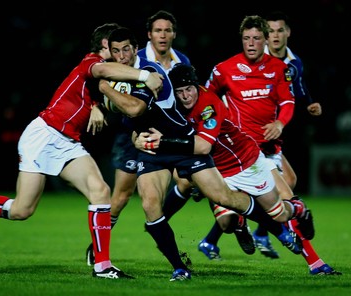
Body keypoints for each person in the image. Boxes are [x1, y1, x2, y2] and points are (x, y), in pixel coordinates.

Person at [0, 22, 165, 280]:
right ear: (104, 46)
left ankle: (103, 266)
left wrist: (97, 105)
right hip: (43, 136)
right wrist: (145, 76)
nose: (121, 54)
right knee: (22, 210)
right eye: (114, 46)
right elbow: (102, 70)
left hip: (68, 142)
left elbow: (103, 92)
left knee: (100, 191)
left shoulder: (104, 78)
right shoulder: (92, 61)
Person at [98, 27, 303, 281]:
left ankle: (277, 227)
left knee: (224, 197)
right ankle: (179, 267)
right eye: (116, 51)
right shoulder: (121, 78)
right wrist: (135, 139)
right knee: (150, 204)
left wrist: (105, 90)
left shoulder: (150, 71)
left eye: (126, 48)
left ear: (136, 48)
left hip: (182, 144)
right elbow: (132, 122)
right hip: (154, 149)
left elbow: (136, 108)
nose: (122, 55)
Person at [203, 15, 340, 275]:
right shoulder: (225, 69)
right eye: (246, 39)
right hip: (233, 152)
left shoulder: (279, 68)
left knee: (285, 201)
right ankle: (241, 224)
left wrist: (280, 123)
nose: (251, 43)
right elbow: (206, 101)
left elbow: (287, 102)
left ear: (265, 41)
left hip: (263, 152)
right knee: (227, 222)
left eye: (256, 38)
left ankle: (316, 263)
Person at [135, 63, 315, 259]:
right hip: (216, 168)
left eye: (189, 89)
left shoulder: (208, 104)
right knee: (225, 223)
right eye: (179, 92)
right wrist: (137, 140)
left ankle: (298, 209)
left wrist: (163, 141)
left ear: (197, 86)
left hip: (244, 162)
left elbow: (203, 146)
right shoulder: (174, 105)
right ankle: (239, 225)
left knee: (279, 214)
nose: (185, 96)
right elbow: (145, 123)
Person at [86, 10, 192, 266]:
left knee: (187, 182)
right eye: (158, 30)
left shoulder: (157, 67)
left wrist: (106, 90)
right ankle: (98, 246)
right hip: (130, 134)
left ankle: (160, 225)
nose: (163, 35)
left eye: (167, 30)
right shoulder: (123, 64)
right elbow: (90, 85)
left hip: (161, 133)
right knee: (121, 196)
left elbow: (137, 105)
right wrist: (94, 106)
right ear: (149, 36)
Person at [251, 10, 339, 275]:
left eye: (279, 30)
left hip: (270, 142)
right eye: (269, 32)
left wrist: (306, 104)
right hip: (253, 143)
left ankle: (258, 229)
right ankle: (312, 259)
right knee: (289, 199)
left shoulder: (290, 65)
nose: (274, 36)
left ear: (287, 32)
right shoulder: (245, 67)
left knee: (287, 182)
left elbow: (293, 94)